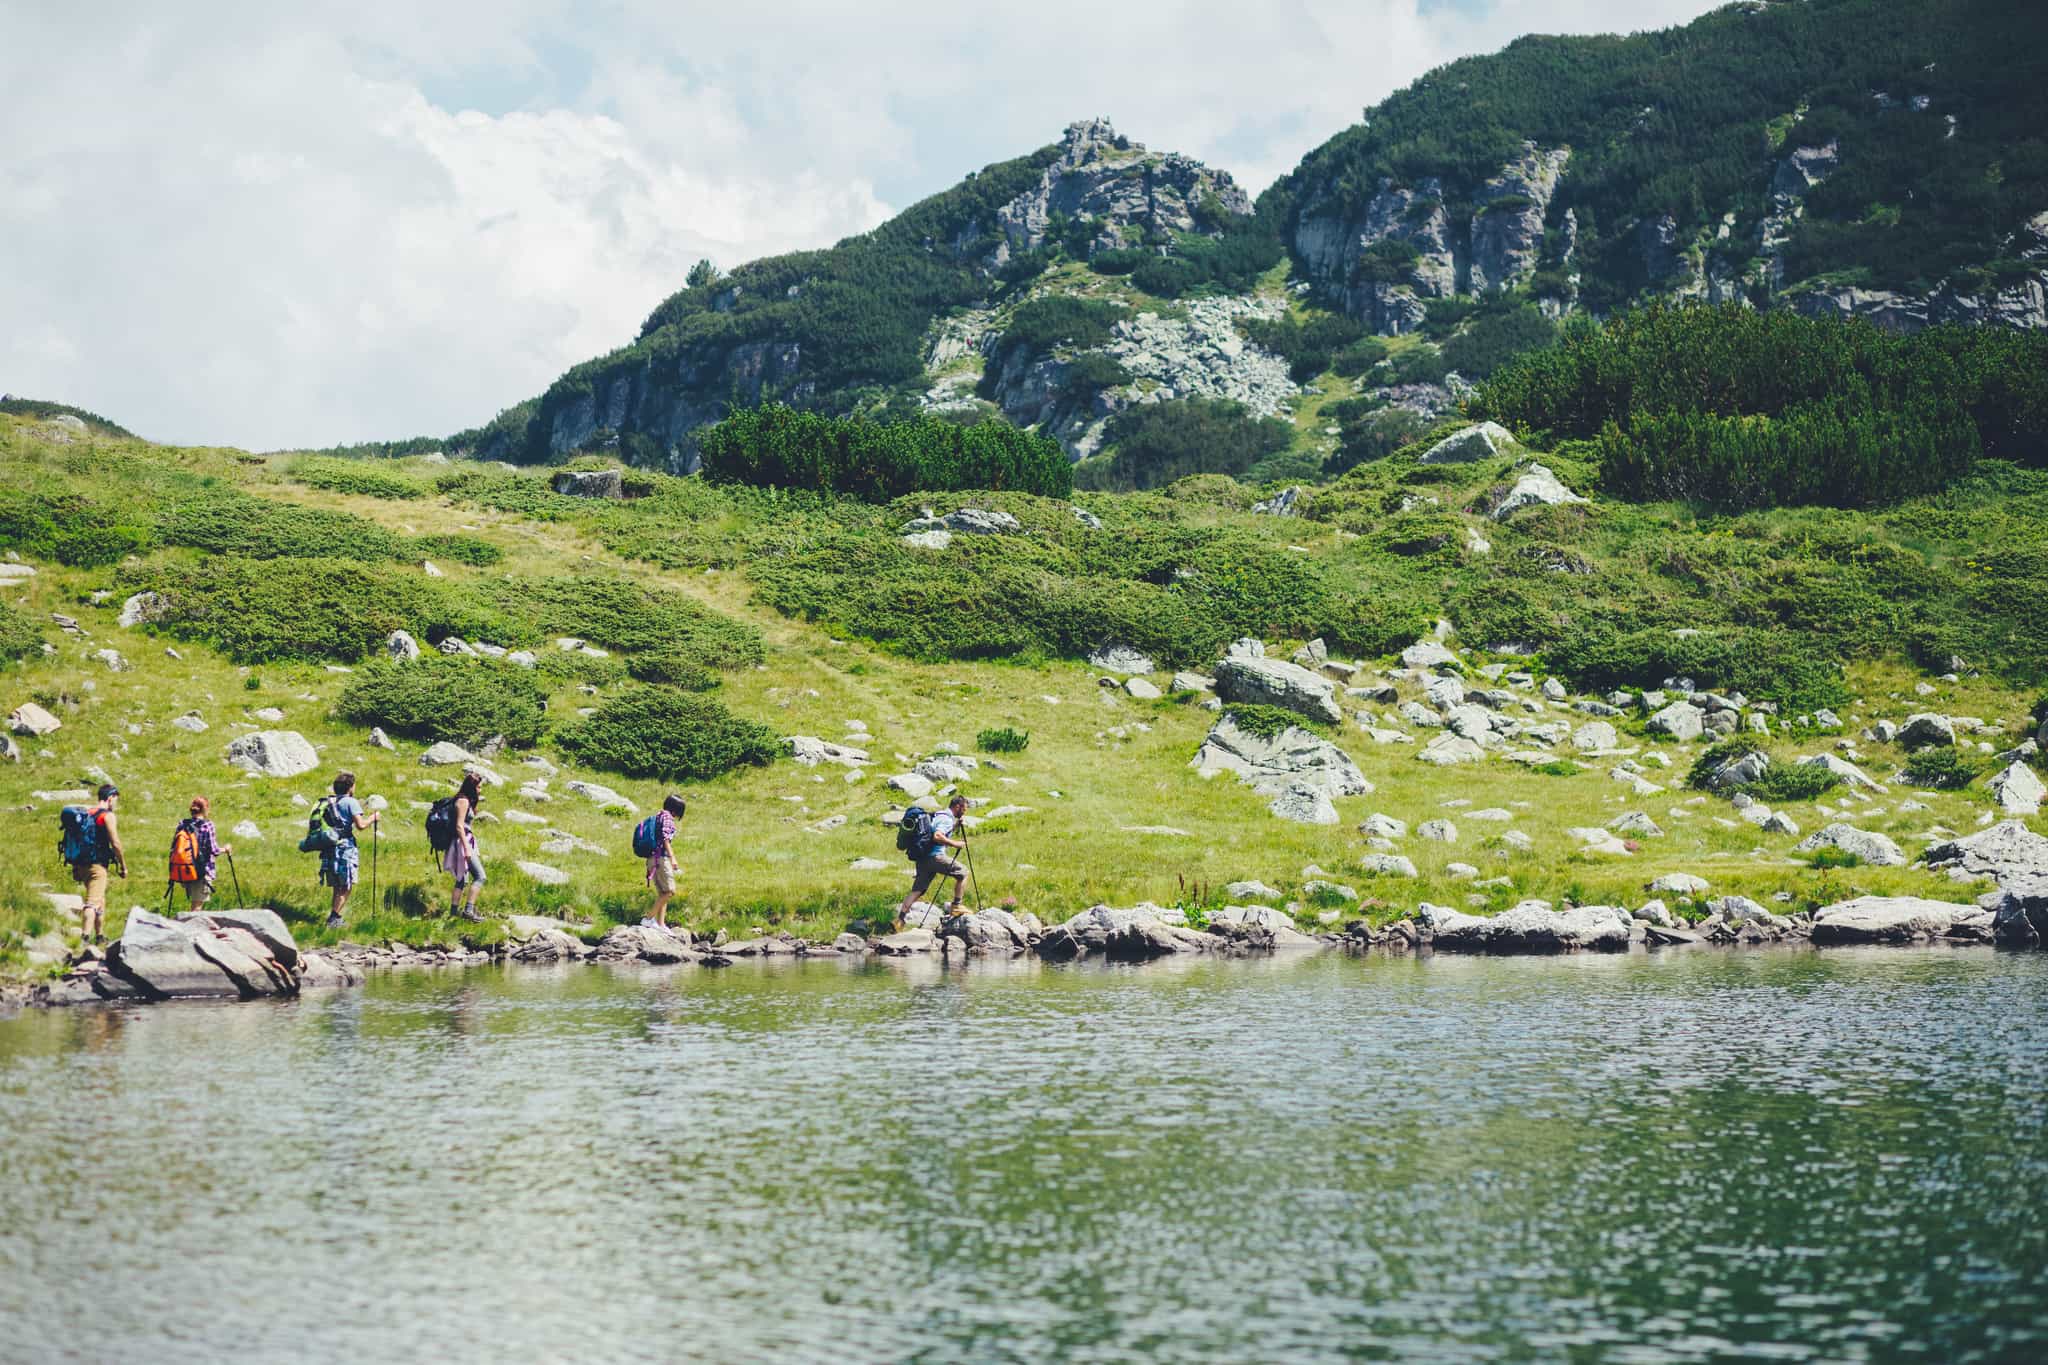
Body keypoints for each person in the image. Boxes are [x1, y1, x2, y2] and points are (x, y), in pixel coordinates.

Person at [896, 795, 969, 930]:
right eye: (964, 809)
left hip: (922, 858)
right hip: (935, 857)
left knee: (917, 890)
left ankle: (899, 920)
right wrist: (955, 844)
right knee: (963, 873)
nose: (964, 812)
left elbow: (937, 832)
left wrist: (955, 826)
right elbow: (937, 836)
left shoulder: (939, 815)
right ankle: (957, 906)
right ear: (957, 807)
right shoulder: (946, 818)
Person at [321, 771, 379, 929]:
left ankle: (335, 916)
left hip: (331, 846)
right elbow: (360, 825)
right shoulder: (350, 802)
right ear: (351, 787)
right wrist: (373, 818)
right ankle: (333, 918)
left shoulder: (330, 802)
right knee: (346, 884)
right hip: (346, 847)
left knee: (336, 884)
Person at [71, 783, 126, 945]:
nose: (116, 803)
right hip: (97, 866)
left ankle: (100, 936)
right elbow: (115, 843)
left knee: (99, 899)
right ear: (110, 798)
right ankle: (85, 938)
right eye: (115, 799)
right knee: (92, 902)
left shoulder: (87, 814)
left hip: (81, 864)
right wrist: (123, 866)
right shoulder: (106, 816)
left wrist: (75, 866)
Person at [172, 797, 230, 912]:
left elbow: (174, 847)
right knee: (197, 908)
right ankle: (191, 928)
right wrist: (226, 849)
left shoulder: (182, 824)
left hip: (184, 869)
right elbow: (214, 850)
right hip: (202, 871)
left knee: (194, 904)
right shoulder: (208, 825)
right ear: (205, 809)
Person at [443, 770, 486, 922]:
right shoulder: (463, 801)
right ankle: (468, 910)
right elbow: (459, 826)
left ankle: (453, 913)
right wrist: (467, 847)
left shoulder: (465, 800)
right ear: (472, 786)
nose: (480, 790)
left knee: (462, 879)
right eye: (479, 787)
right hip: (462, 842)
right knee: (480, 876)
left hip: (463, 841)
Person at [644, 794, 686, 929]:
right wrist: (673, 858)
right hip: (661, 858)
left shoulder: (658, 816)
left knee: (663, 892)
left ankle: (661, 924)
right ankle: (648, 918)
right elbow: (665, 838)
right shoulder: (668, 817)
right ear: (677, 809)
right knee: (670, 891)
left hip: (652, 859)